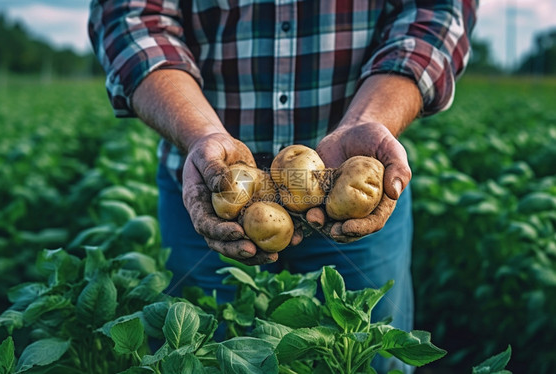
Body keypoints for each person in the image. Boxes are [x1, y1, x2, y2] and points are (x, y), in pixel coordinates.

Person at [89, 0, 476, 371]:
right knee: (204, 356)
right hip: (200, 182)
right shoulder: (236, 191)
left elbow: (436, 10)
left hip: (357, 187)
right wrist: (201, 135)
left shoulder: (342, 187)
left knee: (368, 357)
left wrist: (368, 119)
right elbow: (131, 16)